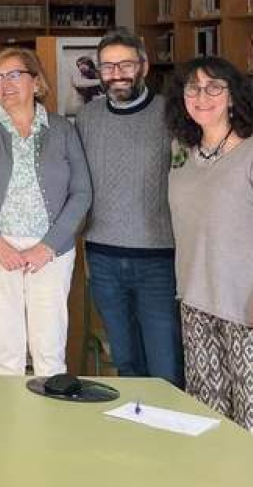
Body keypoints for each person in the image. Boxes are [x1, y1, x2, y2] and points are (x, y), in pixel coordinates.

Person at [166, 56, 253, 456]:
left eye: (213, 87)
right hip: (198, 301)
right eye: (193, 88)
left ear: (233, 96)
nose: (202, 96)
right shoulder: (182, 149)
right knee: (208, 413)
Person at [0, 47, 91, 376]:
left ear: (36, 81)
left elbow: (82, 192)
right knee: (7, 352)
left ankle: (49, 425)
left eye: (14, 75)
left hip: (50, 252)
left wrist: (50, 245)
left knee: (50, 350)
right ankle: (10, 425)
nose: (5, 84)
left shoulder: (62, 129)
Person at [74, 29, 182, 388]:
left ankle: (169, 442)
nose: (116, 73)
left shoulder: (173, 115)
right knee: (126, 363)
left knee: (165, 365)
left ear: (144, 66)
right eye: (107, 66)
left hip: (159, 258)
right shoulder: (87, 118)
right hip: (102, 258)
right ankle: (137, 439)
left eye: (125, 64)